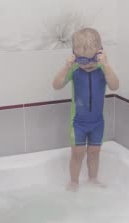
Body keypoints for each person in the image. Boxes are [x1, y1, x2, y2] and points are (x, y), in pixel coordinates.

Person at [52, 27, 119, 191]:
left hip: (98, 122)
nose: (88, 65)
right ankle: (74, 181)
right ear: (74, 55)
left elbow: (115, 86)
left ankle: (93, 179)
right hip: (78, 123)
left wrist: (106, 65)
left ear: (100, 53)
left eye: (92, 59)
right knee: (78, 153)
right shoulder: (74, 70)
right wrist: (67, 67)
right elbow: (56, 85)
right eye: (82, 60)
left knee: (95, 152)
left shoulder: (103, 70)